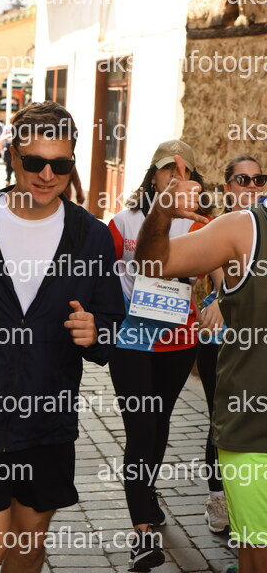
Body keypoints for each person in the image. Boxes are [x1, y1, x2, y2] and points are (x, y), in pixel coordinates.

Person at [0, 100, 125, 573]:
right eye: (34, 162)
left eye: (61, 165)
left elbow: (112, 317)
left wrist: (96, 331)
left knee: (28, 549)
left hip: (47, 419)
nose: (47, 175)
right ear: (13, 156)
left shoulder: (91, 236)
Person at [135, 154, 267, 573]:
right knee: (259, 556)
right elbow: (153, 265)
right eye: (243, 179)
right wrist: (162, 213)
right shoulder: (243, 228)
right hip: (254, 435)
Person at [107, 140, 221, 572]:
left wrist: (219, 300)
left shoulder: (202, 226)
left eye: (184, 171)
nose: (174, 177)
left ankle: (147, 493)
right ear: (152, 175)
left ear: (194, 180)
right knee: (140, 429)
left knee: (158, 425)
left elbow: (225, 278)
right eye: (166, 169)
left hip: (178, 342)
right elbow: (99, 277)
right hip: (130, 341)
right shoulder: (123, 222)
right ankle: (142, 533)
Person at [197, 155, 266, 536]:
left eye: (259, 180)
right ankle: (217, 496)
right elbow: (227, 283)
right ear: (227, 188)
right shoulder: (220, 228)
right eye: (243, 180)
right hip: (221, 334)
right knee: (221, 417)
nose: (252, 186)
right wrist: (222, 303)